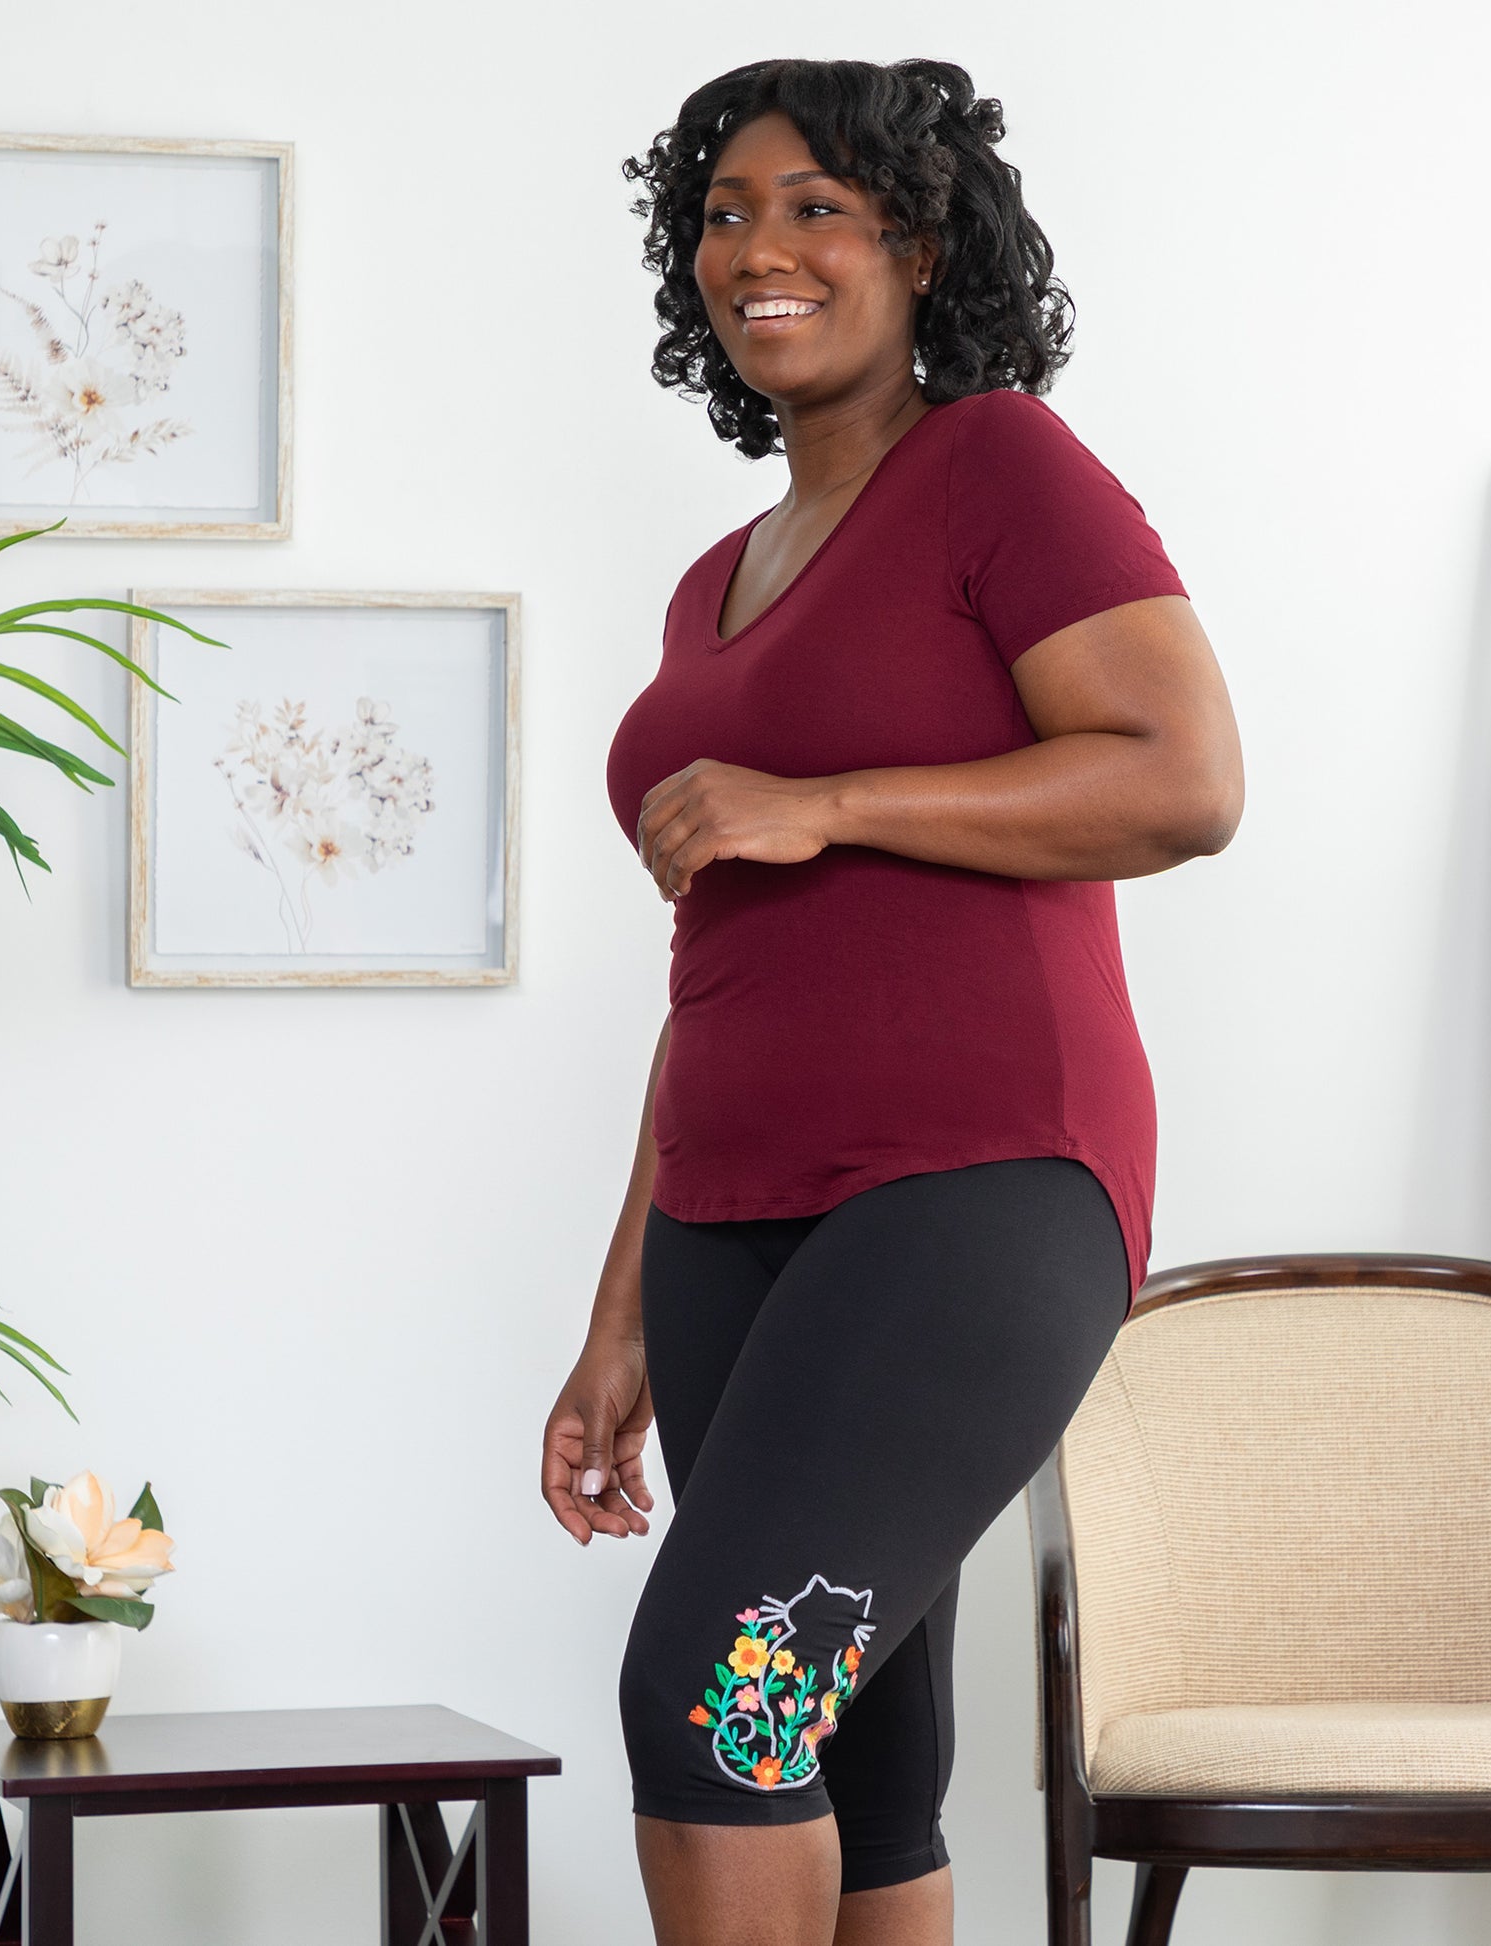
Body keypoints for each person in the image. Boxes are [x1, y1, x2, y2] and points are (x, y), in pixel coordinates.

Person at [542, 55, 1243, 1946]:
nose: (754, 251)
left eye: (813, 211)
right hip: (728, 1224)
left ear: (920, 246)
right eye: (720, 215)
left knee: (718, 1700)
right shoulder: (715, 586)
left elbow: (1184, 778)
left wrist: (827, 800)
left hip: (972, 1190)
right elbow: (722, 967)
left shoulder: (997, 464)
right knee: (853, 1755)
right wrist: (617, 1308)